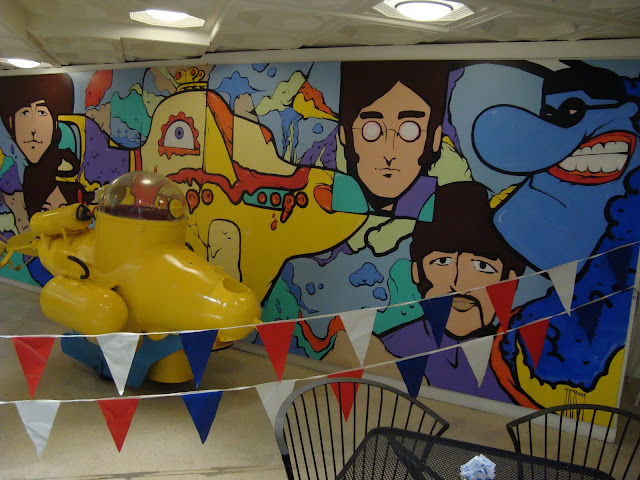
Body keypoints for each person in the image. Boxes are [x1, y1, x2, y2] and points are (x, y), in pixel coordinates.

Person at [381, 181, 526, 402]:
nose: (460, 284)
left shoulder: (524, 365)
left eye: (482, 266)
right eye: (442, 261)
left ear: (510, 281)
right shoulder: (389, 350)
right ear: (416, 272)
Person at [333, 60, 450, 219]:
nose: (389, 153)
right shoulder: (323, 193)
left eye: (409, 131)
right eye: (371, 130)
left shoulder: (441, 209)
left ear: (435, 138)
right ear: (344, 134)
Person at [0, 73, 80, 219]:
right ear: (11, 122)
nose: (33, 130)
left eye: (42, 112)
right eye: (24, 113)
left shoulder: (65, 163)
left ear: (55, 123)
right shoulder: (15, 172)